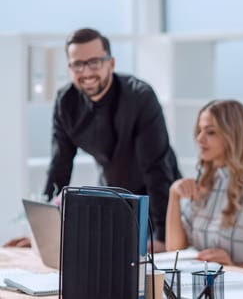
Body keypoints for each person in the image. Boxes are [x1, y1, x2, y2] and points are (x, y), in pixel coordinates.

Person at [38, 27, 180, 253]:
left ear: (111, 63)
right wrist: (42, 232)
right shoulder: (65, 103)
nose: (86, 72)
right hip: (112, 198)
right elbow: (59, 167)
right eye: (78, 64)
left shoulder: (140, 96)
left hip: (158, 202)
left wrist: (162, 235)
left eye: (94, 62)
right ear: (70, 68)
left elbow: (156, 168)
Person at [165, 99, 243, 276]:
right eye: (199, 131)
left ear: (232, 135)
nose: (199, 139)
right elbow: (175, 250)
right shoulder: (204, 186)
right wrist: (174, 195)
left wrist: (233, 266)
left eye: (210, 132)